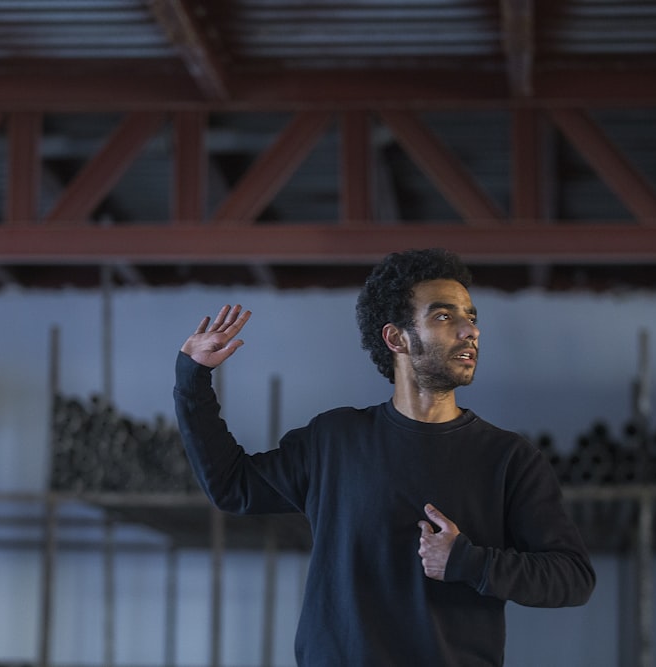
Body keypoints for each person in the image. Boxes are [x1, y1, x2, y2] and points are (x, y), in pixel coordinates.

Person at [173, 248, 595, 666]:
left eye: (471, 317)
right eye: (445, 316)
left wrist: (470, 562)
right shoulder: (334, 440)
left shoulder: (508, 459)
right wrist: (192, 377)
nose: (470, 331)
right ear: (396, 338)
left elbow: (573, 579)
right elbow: (231, 486)